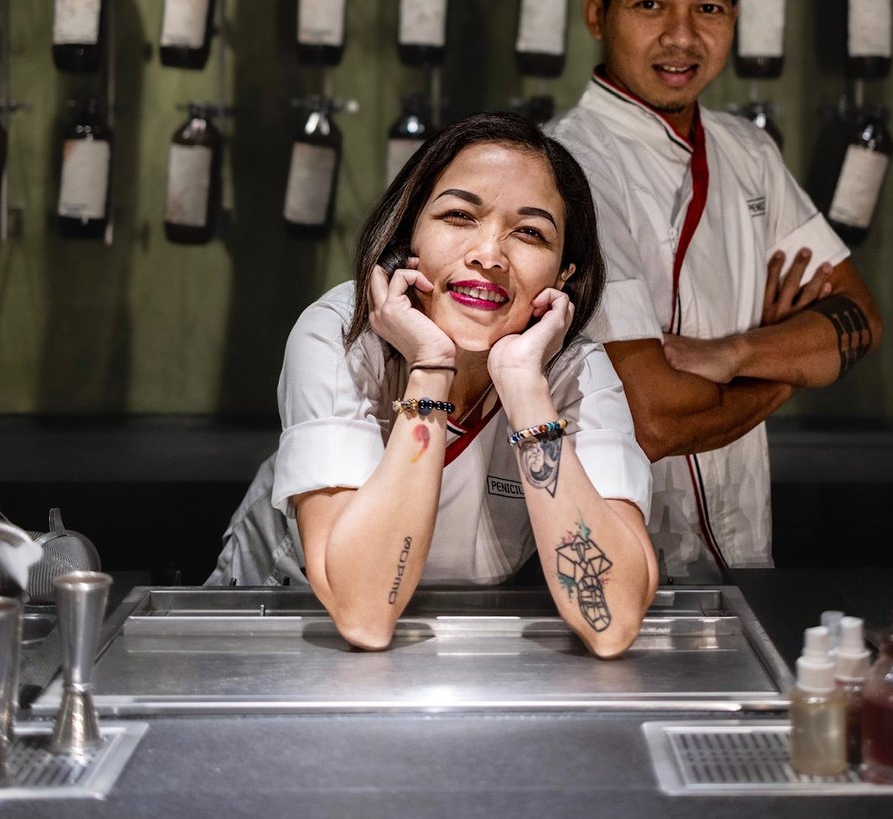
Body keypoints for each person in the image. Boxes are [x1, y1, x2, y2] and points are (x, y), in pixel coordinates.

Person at [210, 112, 658, 658]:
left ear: (564, 272)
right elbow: (364, 617)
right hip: (282, 625)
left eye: (530, 232)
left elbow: (613, 624)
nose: (489, 256)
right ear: (409, 237)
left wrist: (524, 386)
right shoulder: (340, 335)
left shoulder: (575, 371)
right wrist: (431, 366)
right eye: (459, 216)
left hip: (454, 642)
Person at [550, 0, 883, 578]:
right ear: (596, 14)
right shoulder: (566, 166)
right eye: (650, 5)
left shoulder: (747, 151)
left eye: (709, 6)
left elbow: (860, 317)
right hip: (613, 564)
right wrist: (787, 363)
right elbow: (656, 419)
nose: (682, 36)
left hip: (743, 556)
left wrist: (735, 352)